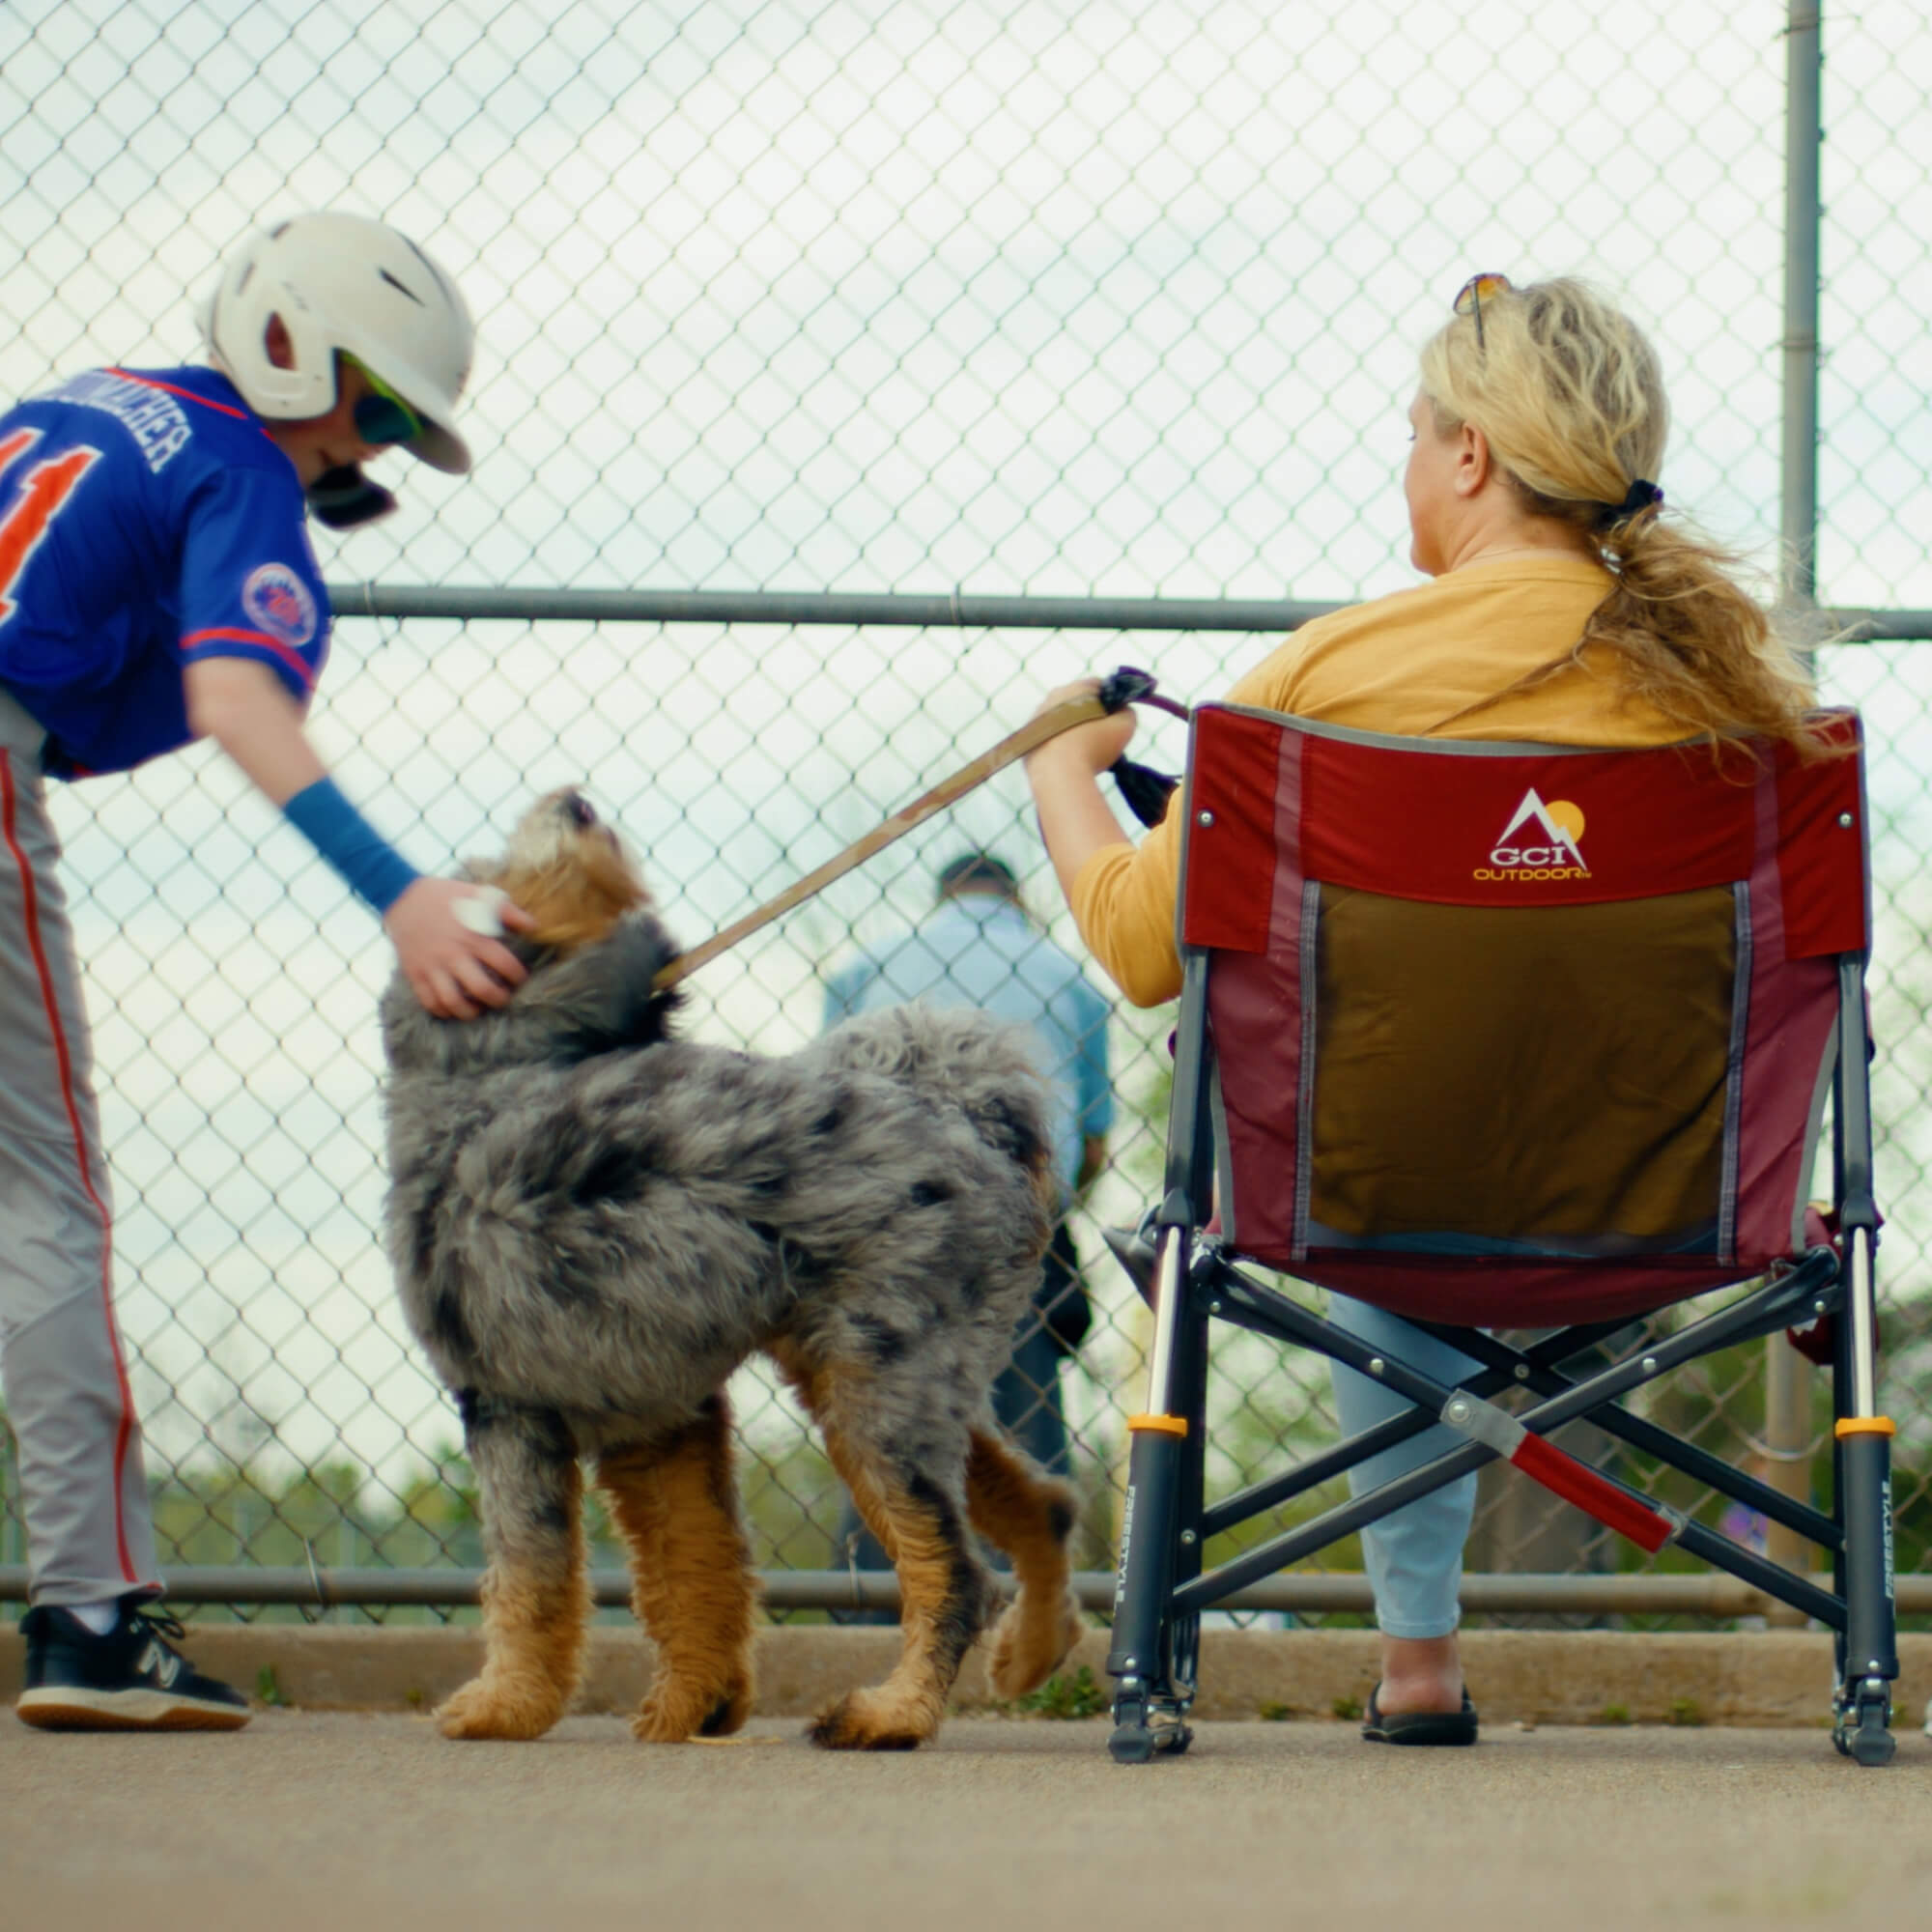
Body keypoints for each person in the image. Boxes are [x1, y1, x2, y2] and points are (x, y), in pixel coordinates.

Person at [1021, 274, 1833, 1744]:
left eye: (1414, 434)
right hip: (1683, 1212)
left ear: (1468, 456)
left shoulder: (1323, 682)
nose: (1407, 464)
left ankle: (1418, 1662)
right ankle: (1427, 1664)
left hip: (1362, 1206)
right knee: (1464, 1128)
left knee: (1397, 1149)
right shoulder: (1748, 709)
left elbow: (1143, 954)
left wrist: (1065, 778)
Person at [1, 211, 535, 1731]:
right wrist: (402, 897)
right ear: (287, 345)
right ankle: (94, 1623)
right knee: (46, 1202)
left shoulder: (81, 399)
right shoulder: (236, 465)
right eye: (369, 411)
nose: (357, 457)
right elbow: (234, 693)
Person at [821, 851, 1113, 1607]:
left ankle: (869, 1606)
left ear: (941, 897)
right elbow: (1095, 1137)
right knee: (1024, 1409)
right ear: (1017, 902)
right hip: (1010, 1206)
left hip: (880, 1205)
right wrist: (1056, 1210)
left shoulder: (864, 969)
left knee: (880, 1401)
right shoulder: (1066, 976)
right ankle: (1032, 1606)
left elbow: (816, 1103)